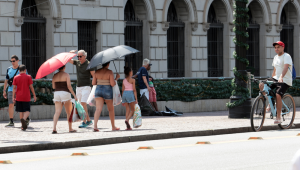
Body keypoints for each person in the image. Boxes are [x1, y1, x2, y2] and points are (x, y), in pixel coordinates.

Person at [259, 41, 293, 124]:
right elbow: (274, 71)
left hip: (285, 80)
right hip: (276, 78)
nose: (276, 49)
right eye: (275, 47)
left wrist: (281, 77)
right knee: (261, 85)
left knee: (278, 95)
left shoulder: (286, 56)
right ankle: (270, 102)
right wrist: (271, 79)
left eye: (278, 47)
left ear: (283, 47)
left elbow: (285, 68)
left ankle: (278, 117)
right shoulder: (275, 57)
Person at [69, 50, 95, 128]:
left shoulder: (89, 64)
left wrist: (95, 87)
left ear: (85, 56)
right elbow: (69, 60)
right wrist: (71, 53)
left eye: (80, 56)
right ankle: (88, 121)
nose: (79, 58)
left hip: (86, 87)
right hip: (78, 87)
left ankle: (85, 121)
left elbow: (94, 76)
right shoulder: (77, 62)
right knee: (80, 105)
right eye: (78, 56)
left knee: (83, 103)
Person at [3, 55, 30, 127]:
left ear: (18, 61)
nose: (12, 62)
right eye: (11, 61)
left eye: (13, 61)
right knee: (11, 104)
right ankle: (11, 121)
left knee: (22, 105)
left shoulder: (22, 69)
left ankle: (25, 119)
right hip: (11, 89)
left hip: (20, 90)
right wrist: (4, 90)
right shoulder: (9, 69)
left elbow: (27, 79)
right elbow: (6, 80)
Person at [92, 62, 120, 131]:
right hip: (107, 90)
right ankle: (113, 127)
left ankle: (95, 126)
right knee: (111, 109)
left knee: (98, 109)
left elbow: (93, 83)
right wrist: (116, 78)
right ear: (108, 64)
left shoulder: (97, 72)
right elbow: (112, 84)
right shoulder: (110, 72)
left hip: (98, 90)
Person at [52, 65, 78, 134]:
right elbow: (69, 86)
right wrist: (74, 95)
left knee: (57, 112)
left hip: (56, 93)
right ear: (64, 68)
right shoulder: (66, 75)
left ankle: (54, 128)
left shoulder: (54, 75)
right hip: (65, 93)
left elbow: (53, 86)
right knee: (68, 112)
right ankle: (70, 128)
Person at [12, 65, 36, 131]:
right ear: (25, 70)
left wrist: (13, 97)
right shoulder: (28, 77)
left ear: (19, 71)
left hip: (19, 97)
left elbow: (14, 88)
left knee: (21, 111)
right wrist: (34, 95)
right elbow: (31, 87)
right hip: (26, 96)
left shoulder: (16, 77)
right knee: (27, 110)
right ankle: (24, 119)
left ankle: (22, 125)